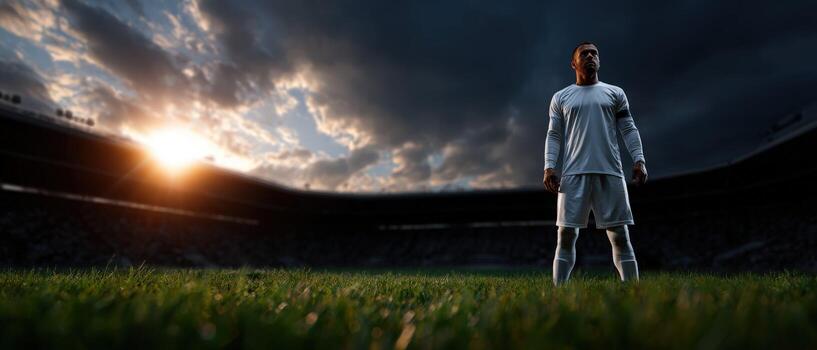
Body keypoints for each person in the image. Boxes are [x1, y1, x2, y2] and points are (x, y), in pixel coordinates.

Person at [543, 41, 648, 286]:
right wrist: (549, 166)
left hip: (610, 172)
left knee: (620, 235)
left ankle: (632, 292)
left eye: (595, 53)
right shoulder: (561, 97)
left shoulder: (615, 93)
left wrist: (639, 159)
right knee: (566, 234)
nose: (591, 56)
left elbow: (628, 128)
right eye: (585, 53)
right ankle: (559, 293)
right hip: (573, 174)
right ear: (574, 63)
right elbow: (554, 134)